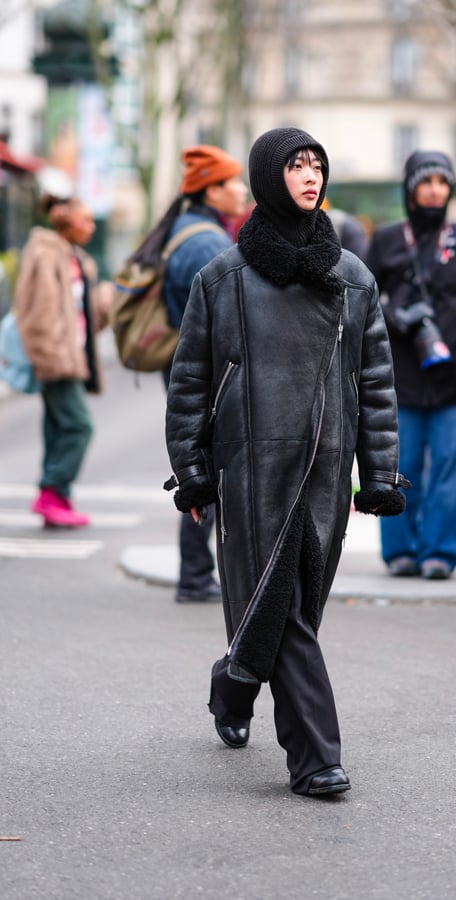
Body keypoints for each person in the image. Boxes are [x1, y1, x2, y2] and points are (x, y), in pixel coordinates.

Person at [164, 127, 407, 797]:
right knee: (287, 611)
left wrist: (379, 473)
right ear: (269, 177)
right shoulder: (223, 277)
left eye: (316, 164)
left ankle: (234, 686)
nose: (309, 176)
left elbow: (376, 384)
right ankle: (315, 760)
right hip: (252, 471)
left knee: (289, 610)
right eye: (296, 165)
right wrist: (191, 468)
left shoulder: (353, 277)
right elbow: (190, 382)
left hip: (325, 472)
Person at [126, 145, 247, 603]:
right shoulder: (206, 244)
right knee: (208, 467)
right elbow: (222, 320)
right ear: (211, 189)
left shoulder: (189, 231)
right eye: (233, 182)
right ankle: (195, 575)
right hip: (203, 372)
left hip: (185, 367)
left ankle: (195, 573)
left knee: (202, 463)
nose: (241, 190)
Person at [366, 150, 456, 580]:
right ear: (410, 188)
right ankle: (399, 549)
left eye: (443, 182)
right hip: (401, 378)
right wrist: (394, 314)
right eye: (427, 181)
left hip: (454, 378)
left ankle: (441, 551)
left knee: (451, 472)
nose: (436, 190)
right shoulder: (385, 240)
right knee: (402, 467)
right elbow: (364, 302)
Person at [13, 194, 111, 527]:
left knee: (58, 427)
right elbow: (38, 311)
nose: (90, 227)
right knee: (78, 426)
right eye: (84, 221)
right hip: (56, 358)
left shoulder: (77, 258)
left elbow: (81, 313)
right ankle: (51, 492)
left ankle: (58, 497)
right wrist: (49, 355)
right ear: (65, 222)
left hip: (71, 355)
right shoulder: (45, 253)